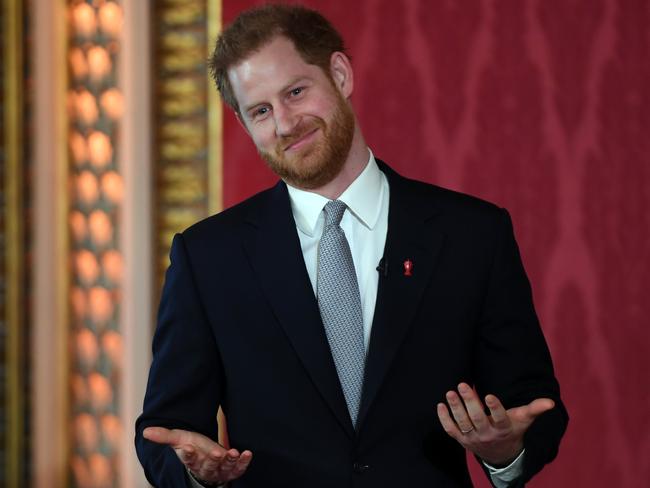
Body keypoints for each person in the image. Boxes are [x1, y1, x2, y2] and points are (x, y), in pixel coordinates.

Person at [135, 5, 568, 487]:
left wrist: (505, 448)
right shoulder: (208, 257)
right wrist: (196, 476)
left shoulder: (472, 235)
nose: (284, 124)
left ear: (339, 75)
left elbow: (533, 407)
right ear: (243, 125)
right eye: (261, 111)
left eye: (295, 92)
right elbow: (164, 436)